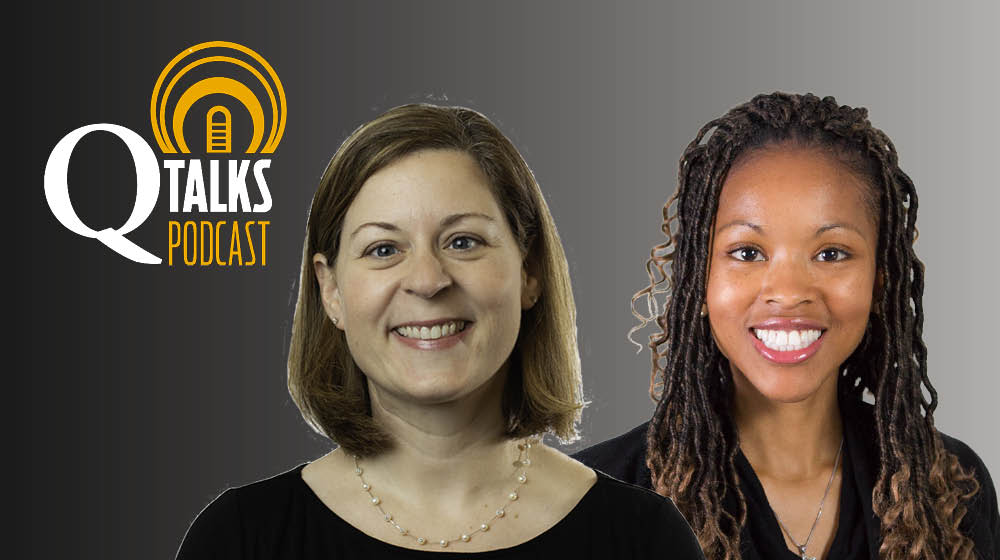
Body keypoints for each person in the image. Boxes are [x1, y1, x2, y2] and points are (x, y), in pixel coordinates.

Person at [176, 104, 704, 559]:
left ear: (530, 272)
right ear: (330, 290)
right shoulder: (240, 540)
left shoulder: (643, 541)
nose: (428, 281)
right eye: (384, 249)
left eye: (464, 242)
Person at [574, 93, 999, 560]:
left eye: (831, 253)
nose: (789, 291)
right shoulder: (594, 502)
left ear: (879, 284)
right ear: (698, 279)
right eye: (748, 252)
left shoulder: (950, 487)